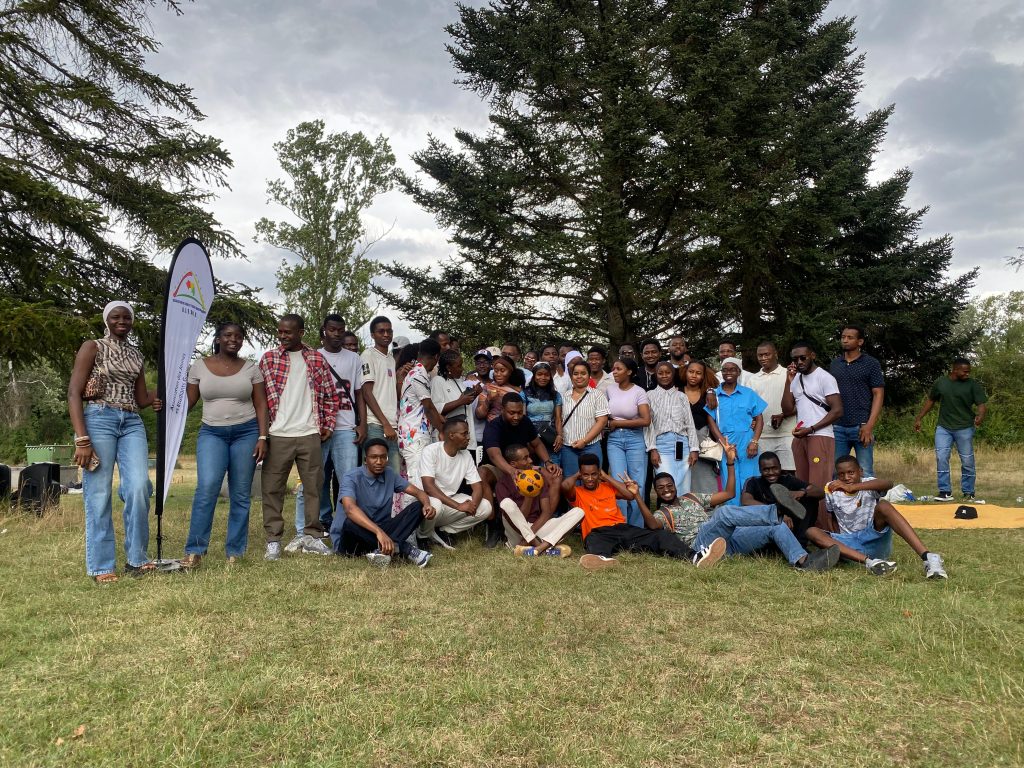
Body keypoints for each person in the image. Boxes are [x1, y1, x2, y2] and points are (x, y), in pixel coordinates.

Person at [68, 301, 161, 583]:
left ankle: (136, 559)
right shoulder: (92, 346)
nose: (122, 321)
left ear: (132, 322)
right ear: (106, 320)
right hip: (99, 418)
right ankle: (101, 565)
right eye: (115, 317)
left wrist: (174, 384)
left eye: (126, 317)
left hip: (131, 421)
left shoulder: (136, 354)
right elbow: (73, 393)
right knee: (99, 493)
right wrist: (82, 439)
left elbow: (142, 398)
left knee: (138, 487)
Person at [650, 444, 840, 572]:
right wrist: (636, 496)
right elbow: (651, 525)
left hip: (726, 543)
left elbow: (729, 494)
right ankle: (777, 510)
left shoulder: (691, 497)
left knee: (774, 526)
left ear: (675, 485)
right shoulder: (661, 514)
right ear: (656, 492)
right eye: (661, 488)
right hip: (703, 546)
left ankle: (803, 562)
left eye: (669, 486)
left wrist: (730, 462)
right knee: (724, 512)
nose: (666, 490)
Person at [181, 322, 268, 568]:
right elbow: (189, 400)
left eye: (239, 336)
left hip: (247, 432)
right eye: (228, 335)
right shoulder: (200, 366)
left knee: (240, 494)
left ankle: (235, 553)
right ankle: (195, 550)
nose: (234, 340)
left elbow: (261, 404)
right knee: (207, 487)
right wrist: (169, 418)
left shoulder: (251, 367)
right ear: (218, 338)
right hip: (212, 433)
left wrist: (263, 437)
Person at [259, 314, 339, 560]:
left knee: (314, 487)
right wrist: (262, 434)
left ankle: (312, 537)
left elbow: (330, 395)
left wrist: (329, 425)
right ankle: (273, 540)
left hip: (309, 433)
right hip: (278, 433)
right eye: (280, 332)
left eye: (288, 332)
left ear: (301, 332)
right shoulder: (268, 358)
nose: (283, 336)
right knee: (272, 488)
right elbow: (259, 399)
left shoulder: (316, 358)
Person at [562, 454, 726, 570]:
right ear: (580, 475)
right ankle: (603, 560)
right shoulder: (578, 492)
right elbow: (565, 487)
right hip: (598, 532)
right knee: (593, 539)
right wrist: (579, 474)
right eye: (586, 475)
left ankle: (695, 557)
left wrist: (606, 477)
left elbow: (629, 495)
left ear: (598, 473)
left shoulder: (607, 487)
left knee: (660, 535)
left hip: (622, 528)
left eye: (593, 474)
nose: (590, 478)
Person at [288, 314, 366, 550]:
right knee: (310, 481)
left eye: (341, 330)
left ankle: (343, 530)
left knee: (348, 483)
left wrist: (360, 423)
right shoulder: (313, 356)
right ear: (324, 331)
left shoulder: (354, 358)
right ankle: (303, 531)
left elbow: (360, 392)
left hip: (346, 428)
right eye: (332, 329)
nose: (337, 334)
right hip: (317, 428)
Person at [806, 456, 948, 579]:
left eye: (851, 472)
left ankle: (928, 557)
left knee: (884, 505)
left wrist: (853, 488)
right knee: (811, 531)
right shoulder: (832, 489)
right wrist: (836, 538)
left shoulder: (868, 484)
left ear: (860, 471)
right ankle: (871, 563)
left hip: (873, 538)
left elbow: (888, 483)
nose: (846, 477)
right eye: (841, 474)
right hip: (849, 544)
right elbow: (831, 517)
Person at [331, 439, 434, 568]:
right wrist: (379, 532)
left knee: (418, 507)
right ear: (365, 459)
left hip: (381, 533)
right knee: (350, 522)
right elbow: (350, 509)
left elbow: (418, 492)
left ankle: (382, 550)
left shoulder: (389, 474)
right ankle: (403, 548)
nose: (379, 462)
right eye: (374, 457)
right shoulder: (351, 477)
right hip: (352, 541)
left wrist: (427, 504)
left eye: (383, 457)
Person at [481, 392, 563, 547]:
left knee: (555, 477)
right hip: (500, 466)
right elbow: (494, 455)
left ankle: (542, 522)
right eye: (512, 413)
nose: (516, 417)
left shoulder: (525, 422)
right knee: (482, 474)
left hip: (523, 465)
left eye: (520, 412)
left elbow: (537, 444)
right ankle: (493, 525)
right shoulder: (493, 426)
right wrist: (511, 471)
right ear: (503, 410)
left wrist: (547, 462)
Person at [781, 341, 843, 529]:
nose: (799, 362)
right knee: (802, 485)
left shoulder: (824, 377)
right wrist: (788, 380)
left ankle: (824, 529)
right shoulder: (796, 379)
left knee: (818, 486)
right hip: (801, 437)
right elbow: (787, 408)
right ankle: (806, 528)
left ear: (812, 356)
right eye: (794, 359)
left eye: (802, 357)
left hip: (820, 435)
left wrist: (812, 429)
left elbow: (837, 410)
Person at [914, 358, 988, 503]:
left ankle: (969, 493)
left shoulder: (972, 385)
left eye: (969, 371)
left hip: (965, 427)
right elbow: (931, 400)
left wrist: (980, 416)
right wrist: (919, 418)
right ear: (955, 370)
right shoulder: (941, 383)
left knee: (967, 460)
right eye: (965, 371)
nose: (968, 374)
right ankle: (945, 492)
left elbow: (981, 404)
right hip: (944, 428)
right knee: (941, 457)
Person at [417, 418, 492, 547]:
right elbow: (428, 487)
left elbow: (477, 487)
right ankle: (423, 537)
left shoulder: (466, 455)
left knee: (485, 507)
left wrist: (472, 505)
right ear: (451, 435)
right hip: (428, 502)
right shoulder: (431, 451)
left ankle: (445, 532)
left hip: (450, 501)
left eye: (468, 433)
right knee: (436, 504)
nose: (468, 437)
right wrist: (458, 506)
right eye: (464, 433)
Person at [497, 444, 578, 557]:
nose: (530, 460)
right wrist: (529, 495)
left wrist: (531, 534)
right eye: (525, 458)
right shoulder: (502, 483)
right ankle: (541, 547)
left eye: (529, 456)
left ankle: (536, 549)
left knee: (579, 512)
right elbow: (521, 518)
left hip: (537, 527)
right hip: (516, 532)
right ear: (513, 464)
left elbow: (546, 513)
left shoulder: (537, 478)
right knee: (506, 503)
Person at [709, 358, 766, 506]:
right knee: (730, 479)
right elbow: (711, 421)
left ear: (739, 372)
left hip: (747, 442)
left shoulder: (748, 393)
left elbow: (759, 418)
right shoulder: (714, 395)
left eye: (732, 369)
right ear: (721, 373)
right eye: (725, 370)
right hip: (726, 443)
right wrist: (723, 442)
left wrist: (754, 441)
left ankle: (753, 516)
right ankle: (733, 517)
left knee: (750, 480)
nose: (728, 372)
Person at [829, 325, 885, 476]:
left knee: (865, 471)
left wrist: (869, 425)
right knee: (836, 471)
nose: (845, 340)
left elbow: (878, 394)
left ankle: (867, 500)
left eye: (850, 337)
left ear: (860, 342)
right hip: (838, 426)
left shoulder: (871, 364)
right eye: (843, 337)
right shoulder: (835, 364)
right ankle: (838, 500)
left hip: (861, 426)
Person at [740, 451, 824, 548]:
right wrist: (777, 513)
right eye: (766, 469)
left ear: (780, 466)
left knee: (810, 498)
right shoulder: (753, 481)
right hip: (767, 523)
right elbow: (746, 501)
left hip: (790, 524)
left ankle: (800, 544)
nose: (771, 473)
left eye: (774, 468)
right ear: (759, 469)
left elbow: (821, 493)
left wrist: (803, 492)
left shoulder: (787, 478)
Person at [605, 358, 652, 526]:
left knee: (636, 482)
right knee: (619, 483)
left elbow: (646, 420)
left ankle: (637, 527)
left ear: (630, 372)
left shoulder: (639, 392)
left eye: (618, 369)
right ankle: (621, 524)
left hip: (635, 439)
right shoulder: (609, 390)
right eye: (613, 369)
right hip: (615, 440)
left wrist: (617, 423)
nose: (614, 372)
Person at [646, 361, 700, 495]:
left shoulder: (681, 396)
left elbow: (690, 424)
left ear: (673, 374)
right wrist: (652, 449)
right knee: (667, 485)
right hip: (661, 445)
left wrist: (694, 449)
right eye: (660, 373)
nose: (664, 376)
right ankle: (668, 515)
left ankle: (684, 515)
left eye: (668, 372)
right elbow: (648, 425)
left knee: (684, 486)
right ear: (656, 375)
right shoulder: (649, 396)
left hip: (682, 445)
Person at [397, 338, 444, 493]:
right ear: (437, 357)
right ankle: (411, 517)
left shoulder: (418, 372)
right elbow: (428, 407)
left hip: (412, 434)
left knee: (413, 481)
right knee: (417, 485)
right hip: (414, 436)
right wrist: (443, 430)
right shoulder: (418, 374)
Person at [360, 316, 401, 473]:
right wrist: (385, 423)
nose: (386, 334)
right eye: (381, 331)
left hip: (392, 425)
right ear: (372, 335)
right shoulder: (368, 355)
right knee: (372, 475)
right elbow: (367, 392)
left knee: (393, 476)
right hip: (376, 425)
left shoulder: (390, 359)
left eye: (389, 331)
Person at [750, 341, 796, 472]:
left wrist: (783, 415)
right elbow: (749, 408)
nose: (763, 358)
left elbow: (800, 403)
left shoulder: (788, 374)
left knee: (789, 472)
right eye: (760, 355)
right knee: (766, 473)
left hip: (787, 434)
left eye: (767, 354)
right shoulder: (753, 379)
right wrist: (752, 421)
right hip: (762, 437)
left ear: (775, 354)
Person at [559, 358, 610, 477]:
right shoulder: (563, 397)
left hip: (591, 446)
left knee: (592, 481)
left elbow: (602, 421)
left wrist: (584, 440)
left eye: (583, 373)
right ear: (571, 376)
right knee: (572, 483)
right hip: (568, 448)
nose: (579, 376)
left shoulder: (597, 395)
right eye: (575, 373)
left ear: (589, 376)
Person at [681, 360, 724, 494]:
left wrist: (711, 390)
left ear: (703, 375)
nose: (694, 375)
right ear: (686, 373)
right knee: (684, 475)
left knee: (704, 476)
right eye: (691, 372)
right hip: (681, 438)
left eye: (698, 373)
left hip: (703, 439)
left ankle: (709, 509)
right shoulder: (677, 391)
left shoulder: (708, 394)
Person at [431, 349, 483, 454]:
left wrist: (476, 392)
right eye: (459, 366)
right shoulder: (438, 381)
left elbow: (466, 403)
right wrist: (460, 401)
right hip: (450, 439)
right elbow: (436, 410)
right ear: (448, 367)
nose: (462, 369)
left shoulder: (461, 381)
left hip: (467, 438)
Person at [523, 361, 563, 466]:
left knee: (553, 470)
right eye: (539, 374)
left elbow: (558, 418)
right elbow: (522, 417)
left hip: (549, 436)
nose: (543, 377)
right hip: (530, 437)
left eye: (546, 375)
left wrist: (559, 435)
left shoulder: (555, 395)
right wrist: (525, 438)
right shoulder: (525, 393)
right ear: (534, 376)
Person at [476, 355, 522, 422]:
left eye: (502, 370)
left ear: (510, 372)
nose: (498, 374)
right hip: (493, 429)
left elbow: (522, 415)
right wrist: (488, 400)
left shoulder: (519, 391)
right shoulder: (488, 388)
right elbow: (479, 415)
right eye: (496, 371)